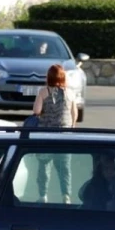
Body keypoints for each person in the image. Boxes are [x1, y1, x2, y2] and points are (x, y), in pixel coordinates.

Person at [32, 64, 76, 204]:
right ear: (63, 78)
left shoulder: (44, 91)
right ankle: (66, 195)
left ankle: (43, 195)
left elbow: (37, 110)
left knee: (44, 165)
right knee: (64, 167)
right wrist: (72, 126)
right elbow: (74, 112)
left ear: (49, 77)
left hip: (46, 134)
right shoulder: (70, 92)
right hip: (65, 134)